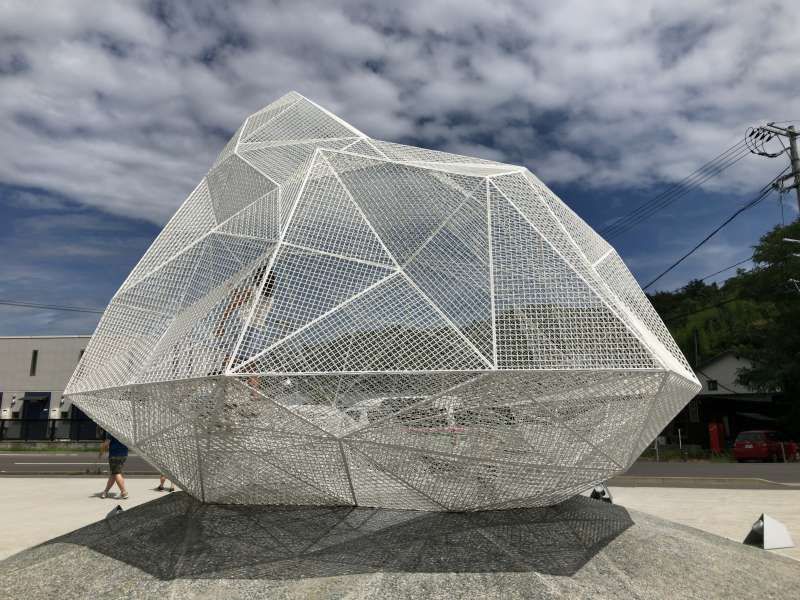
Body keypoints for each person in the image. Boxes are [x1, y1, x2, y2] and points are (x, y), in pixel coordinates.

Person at [99, 433, 129, 499]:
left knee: (116, 473)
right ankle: (105, 492)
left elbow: (106, 443)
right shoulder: (125, 431)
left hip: (115, 455)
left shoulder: (111, 430)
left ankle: (123, 492)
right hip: (124, 454)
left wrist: (101, 452)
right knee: (114, 473)